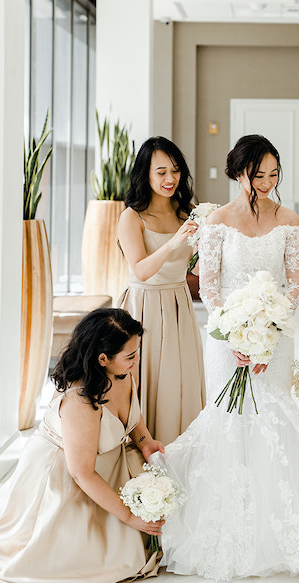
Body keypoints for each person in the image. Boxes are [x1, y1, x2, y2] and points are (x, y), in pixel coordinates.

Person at [149, 134, 299, 581]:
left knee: (274, 420)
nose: (267, 183)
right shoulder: (216, 221)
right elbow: (210, 286)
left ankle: (280, 527)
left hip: (274, 341)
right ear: (239, 172)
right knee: (229, 421)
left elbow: (295, 283)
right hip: (225, 341)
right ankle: (230, 523)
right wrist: (233, 334)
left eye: (274, 175)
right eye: (259, 175)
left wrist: (270, 332)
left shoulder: (289, 219)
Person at [0, 308, 165, 583]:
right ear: (102, 358)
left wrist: (145, 442)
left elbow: (132, 416)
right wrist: (129, 517)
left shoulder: (123, 373)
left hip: (103, 466)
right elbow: (82, 473)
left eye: (136, 351)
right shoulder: (80, 401)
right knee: (86, 558)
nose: (137, 360)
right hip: (65, 476)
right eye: (130, 355)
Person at [118, 136, 206, 445]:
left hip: (179, 304)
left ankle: (181, 452)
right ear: (145, 174)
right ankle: (145, 449)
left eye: (176, 170)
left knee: (179, 382)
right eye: (161, 172)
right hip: (144, 306)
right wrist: (175, 241)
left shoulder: (188, 212)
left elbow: (194, 270)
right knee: (146, 380)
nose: (171, 179)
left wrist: (210, 245)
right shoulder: (132, 217)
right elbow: (140, 269)